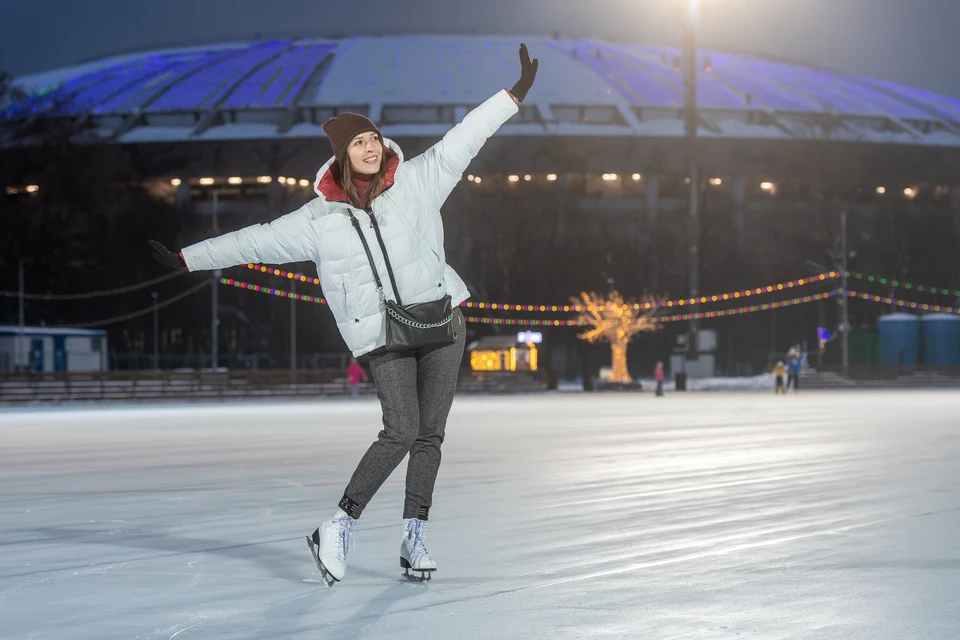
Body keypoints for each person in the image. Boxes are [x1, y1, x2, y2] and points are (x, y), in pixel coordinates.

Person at [148, 44, 538, 585]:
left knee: (430, 435)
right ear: (341, 155)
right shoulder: (317, 220)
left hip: (442, 322)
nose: (371, 147)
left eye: (374, 138)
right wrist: (189, 259)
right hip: (382, 334)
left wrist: (510, 97)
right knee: (400, 431)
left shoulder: (419, 180)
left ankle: (414, 534)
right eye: (359, 142)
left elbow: (464, 140)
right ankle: (339, 523)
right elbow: (253, 241)